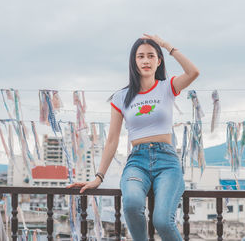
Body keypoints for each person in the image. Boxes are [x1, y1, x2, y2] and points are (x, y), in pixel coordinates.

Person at [67, 34, 200, 241]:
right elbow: (112, 139)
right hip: (137, 161)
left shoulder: (167, 87)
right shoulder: (121, 97)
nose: (145, 61)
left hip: (167, 162)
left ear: (158, 61)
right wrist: (98, 177)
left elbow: (193, 72)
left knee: (163, 221)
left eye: (151, 56)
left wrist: (166, 46)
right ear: (134, 62)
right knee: (131, 205)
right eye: (140, 57)